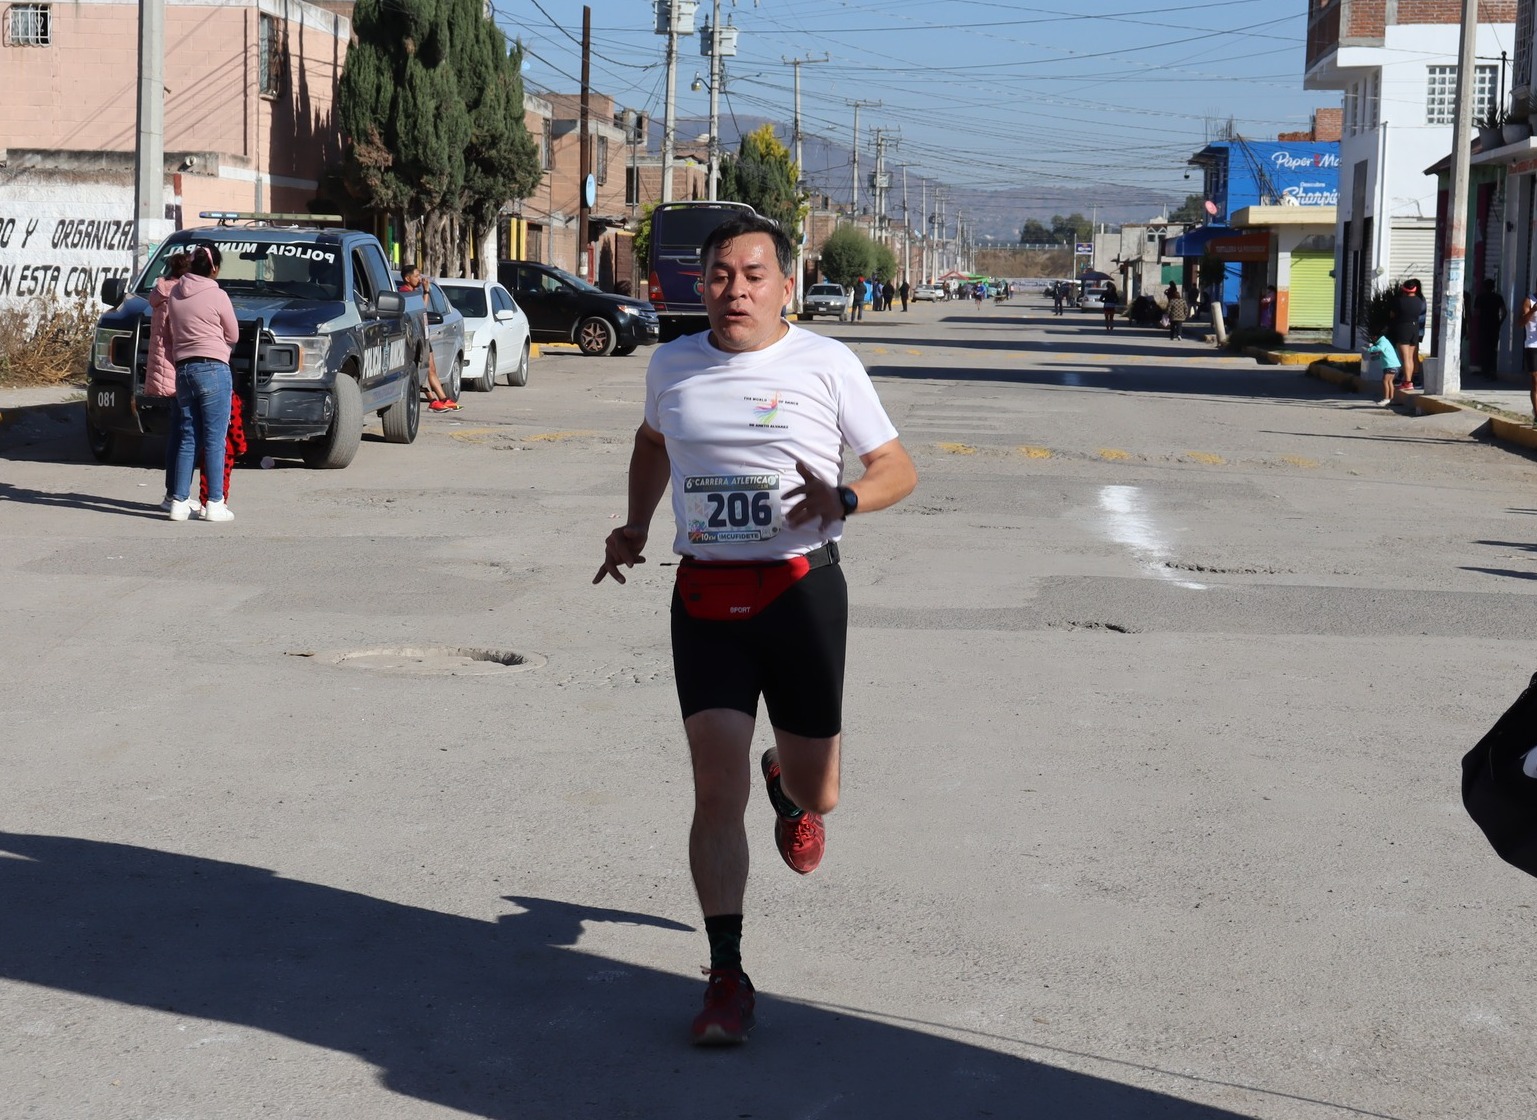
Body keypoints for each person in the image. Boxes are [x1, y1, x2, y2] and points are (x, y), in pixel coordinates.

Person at [593, 212, 917, 1047]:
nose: (734, 289)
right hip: (705, 597)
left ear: (785, 285)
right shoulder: (672, 362)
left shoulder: (825, 362)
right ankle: (726, 975)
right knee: (712, 785)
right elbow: (651, 443)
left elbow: (896, 470)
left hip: (800, 591)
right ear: (698, 285)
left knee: (821, 793)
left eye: (752, 274)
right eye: (718, 276)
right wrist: (633, 526)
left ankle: (789, 785)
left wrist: (842, 499)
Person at [164, 243, 238, 522]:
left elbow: (170, 336)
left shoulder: (174, 294)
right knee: (214, 438)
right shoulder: (217, 294)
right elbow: (233, 333)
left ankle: (179, 502)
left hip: (183, 370)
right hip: (213, 368)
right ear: (214, 269)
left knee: (187, 436)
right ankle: (215, 503)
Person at [146, 251, 192, 512]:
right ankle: (177, 494)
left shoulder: (160, 292)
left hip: (163, 369)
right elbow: (179, 334)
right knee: (185, 433)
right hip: (178, 368)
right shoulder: (179, 295)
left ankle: (171, 493)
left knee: (177, 432)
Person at [400, 265, 460, 412]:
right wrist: (425, 291)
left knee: (431, 368)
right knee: (424, 369)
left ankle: (443, 399)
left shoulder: (414, 292)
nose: (419, 278)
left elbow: (423, 310)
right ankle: (433, 400)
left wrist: (425, 291)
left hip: (424, 335)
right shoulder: (404, 293)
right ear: (407, 278)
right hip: (414, 337)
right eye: (416, 275)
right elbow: (421, 311)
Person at [1388, 278, 1426, 391]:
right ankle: (1411, 380)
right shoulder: (1420, 301)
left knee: (1405, 358)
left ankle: (1407, 382)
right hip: (1415, 328)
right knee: (1411, 357)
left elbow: (1392, 315)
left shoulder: (1399, 301)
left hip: (1403, 328)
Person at [1473, 278, 1507, 377]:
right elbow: (1504, 312)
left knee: (1484, 347)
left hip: (1483, 325)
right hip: (1494, 325)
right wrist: (1499, 322)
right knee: (1493, 348)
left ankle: (1485, 369)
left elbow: (1477, 312)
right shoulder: (1498, 297)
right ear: (1493, 287)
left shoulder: (1480, 297)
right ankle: (1492, 369)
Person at [1521, 290, 1537, 423]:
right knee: (1535, 381)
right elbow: (1520, 323)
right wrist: (1532, 311)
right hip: (1532, 346)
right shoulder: (1529, 301)